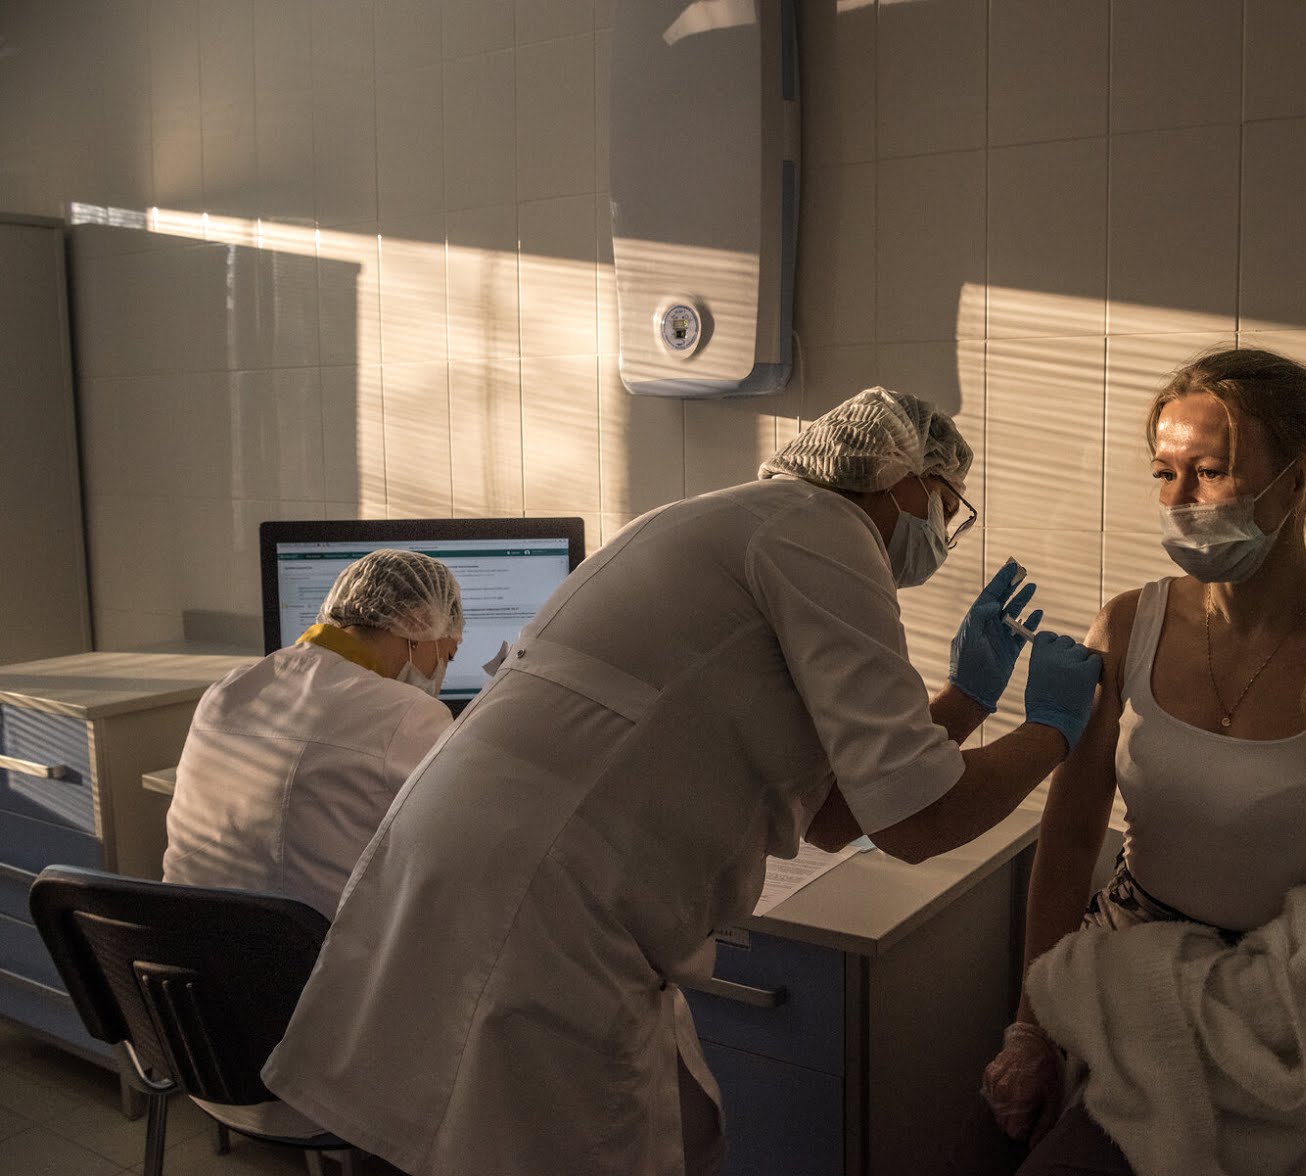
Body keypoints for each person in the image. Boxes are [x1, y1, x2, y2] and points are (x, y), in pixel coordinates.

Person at [261, 387, 1104, 1176]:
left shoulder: (726, 521)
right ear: (899, 476)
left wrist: (962, 700)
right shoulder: (826, 531)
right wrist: (1052, 730)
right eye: (946, 506)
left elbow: (841, 816)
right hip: (550, 906)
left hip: (471, 872)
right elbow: (920, 822)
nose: (942, 535)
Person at [972, 348, 1306, 1174]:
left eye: (1211, 472)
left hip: (1300, 1025)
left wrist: (1252, 1016)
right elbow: (1069, 835)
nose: (1178, 501)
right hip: (1130, 998)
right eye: (1164, 473)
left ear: (1299, 485)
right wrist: (1033, 1026)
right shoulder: (1127, 628)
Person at [162, 546, 462, 1140]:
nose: (445, 667)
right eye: (446, 652)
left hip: (194, 1038)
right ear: (417, 632)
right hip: (320, 1070)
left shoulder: (230, 687)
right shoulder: (407, 715)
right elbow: (464, 844)